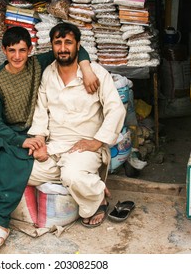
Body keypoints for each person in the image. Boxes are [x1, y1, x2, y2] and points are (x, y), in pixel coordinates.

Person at [0, 26, 100, 250]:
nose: (17, 56)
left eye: (22, 50)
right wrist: (19, 141)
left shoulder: (37, 64)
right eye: (12, 51)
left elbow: (72, 49)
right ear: (4, 50)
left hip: (34, 131)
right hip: (7, 133)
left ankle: (1, 222)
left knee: (6, 166)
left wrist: (86, 68)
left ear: (30, 50)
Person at [27, 23, 126, 228]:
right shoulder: (48, 74)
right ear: (52, 46)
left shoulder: (95, 72)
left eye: (68, 43)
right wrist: (39, 140)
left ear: (78, 45)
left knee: (71, 174)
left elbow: (116, 109)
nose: (63, 48)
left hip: (86, 147)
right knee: (23, 171)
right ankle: (89, 185)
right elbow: (40, 111)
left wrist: (96, 142)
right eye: (58, 43)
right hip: (55, 146)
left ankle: (97, 199)